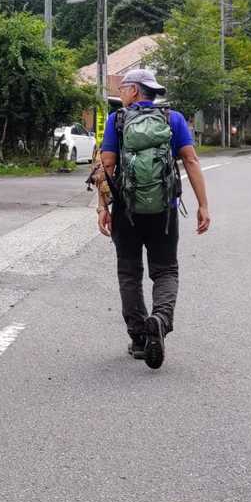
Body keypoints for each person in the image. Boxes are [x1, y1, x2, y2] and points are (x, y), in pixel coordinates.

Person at [91, 68, 211, 370]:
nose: (121, 93)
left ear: (134, 91)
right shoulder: (173, 119)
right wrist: (203, 205)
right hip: (164, 210)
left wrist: (102, 207)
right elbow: (191, 160)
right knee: (166, 270)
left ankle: (139, 338)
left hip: (126, 209)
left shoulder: (117, 121)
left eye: (123, 88)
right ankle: (160, 319)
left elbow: (106, 166)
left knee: (129, 273)